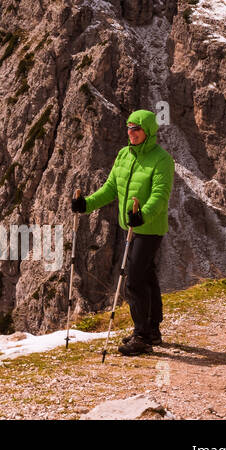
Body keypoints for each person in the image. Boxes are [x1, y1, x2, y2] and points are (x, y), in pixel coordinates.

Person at [70, 109, 174, 356]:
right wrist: (87, 204)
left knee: (135, 280)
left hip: (149, 228)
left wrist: (142, 215)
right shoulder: (123, 155)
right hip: (131, 226)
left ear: (148, 131)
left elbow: (160, 195)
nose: (131, 133)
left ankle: (141, 337)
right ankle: (152, 331)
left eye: (136, 129)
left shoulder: (162, 160)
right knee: (146, 276)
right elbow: (110, 188)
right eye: (128, 128)